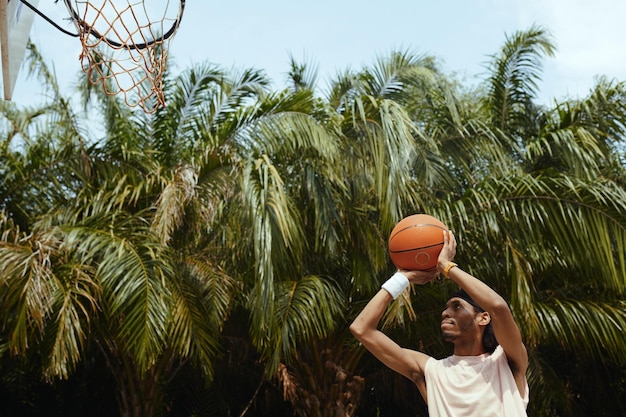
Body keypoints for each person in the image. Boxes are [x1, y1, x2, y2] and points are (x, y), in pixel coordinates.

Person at [350, 230, 529, 416]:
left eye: (457, 306)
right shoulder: (432, 370)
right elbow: (361, 329)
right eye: (446, 308)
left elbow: (499, 307)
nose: (445, 313)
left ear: (483, 318)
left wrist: (446, 267)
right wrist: (402, 278)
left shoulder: (506, 361)